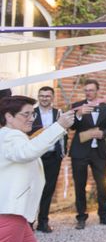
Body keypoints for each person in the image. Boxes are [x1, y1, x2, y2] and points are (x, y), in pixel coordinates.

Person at [0, 95, 75, 242]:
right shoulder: (8, 137)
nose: (31, 118)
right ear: (8, 117)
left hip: (18, 213)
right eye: (26, 114)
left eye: (32, 113)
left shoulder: (15, 136)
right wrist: (59, 127)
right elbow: (28, 152)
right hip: (9, 214)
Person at [69, 79, 106, 229]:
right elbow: (72, 127)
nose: (88, 92)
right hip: (80, 151)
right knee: (80, 185)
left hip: (98, 151)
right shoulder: (77, 106)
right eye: (86, 90)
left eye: (91, 90)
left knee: (102, 185)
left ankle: (104, 216)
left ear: (97, 91)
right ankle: (81, 217)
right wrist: (78, 115)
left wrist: (103, 133)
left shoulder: (105, 108)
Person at [30, 86, 66, 233]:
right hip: (35, 157)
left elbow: (64, 133)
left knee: (48, 189)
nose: (44, 98)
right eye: (42, 96)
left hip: (53, 157)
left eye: (47, 96)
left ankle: (43, 222)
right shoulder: (31, 113)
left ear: (52, 97)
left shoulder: (59, 113)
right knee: (32, 189)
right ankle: (29, 222)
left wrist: (63, 152)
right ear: (38, 97)